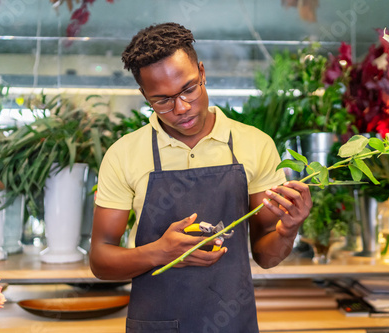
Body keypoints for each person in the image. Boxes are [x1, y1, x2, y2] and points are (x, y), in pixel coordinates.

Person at [90, 22, 312, 333]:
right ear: (144, 95)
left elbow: (265, 255)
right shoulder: (123, 154)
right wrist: (160, 251)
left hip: (233, 324)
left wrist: (288, 229)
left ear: (202, 73)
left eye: (189, 89)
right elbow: (100, 260)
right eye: (162, 100)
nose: (181, 108)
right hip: (156, 325)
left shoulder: (255, 145)